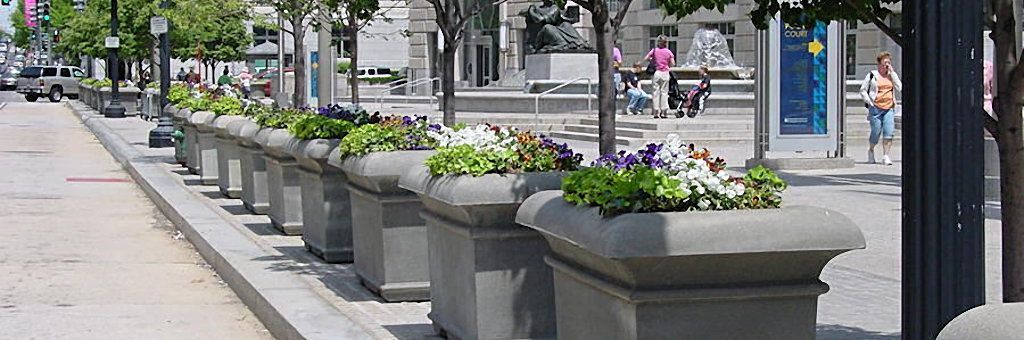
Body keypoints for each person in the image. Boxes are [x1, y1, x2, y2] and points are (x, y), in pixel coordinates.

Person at [859, 52, 902, 165]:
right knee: (876, 132)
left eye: (888, 62)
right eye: (884, 63)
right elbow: (863, 90)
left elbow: (899, 87)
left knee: (889, 132)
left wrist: (892, 73)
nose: (886, 65)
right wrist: (869, 101)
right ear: (879, 64)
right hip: (876, 108)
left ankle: (886, 155)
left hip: (889, 108)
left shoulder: (891, 75)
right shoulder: (872, 75)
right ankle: (871, 150)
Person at [645, 35, 675, 119]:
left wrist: (654, 60)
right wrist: (666, 63)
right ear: (666, 43)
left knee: (655, 92)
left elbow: (646, 58)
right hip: (665, 73)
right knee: (664, 92)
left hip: (657, 73)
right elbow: (673, 64)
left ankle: (655, 112)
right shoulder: (668, 52)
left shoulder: (654, 50)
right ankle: (664, 112)